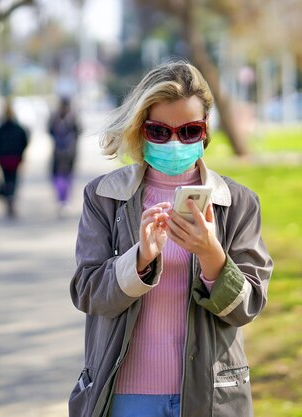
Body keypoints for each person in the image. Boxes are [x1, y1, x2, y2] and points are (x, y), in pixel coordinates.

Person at [68, 61, 273, 417]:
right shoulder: (105, 196)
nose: (176, 142)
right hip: (127, 396)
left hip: (209, 396)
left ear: (206, 130)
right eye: (160, 132)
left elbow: (247, 307)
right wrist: (139, 260)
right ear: (140, 130)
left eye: (190, 131)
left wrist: (212, 255)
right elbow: (87, 292)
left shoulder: (236, 202)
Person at [0, 99, 29, 218]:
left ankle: (9, 198)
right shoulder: (17, 127)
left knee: (7, 179)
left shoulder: (1, 127)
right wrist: (21, 152)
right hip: (14, 158)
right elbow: (25, 139)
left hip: (4, 158)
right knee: (13, 180)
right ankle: (11, 197)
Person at [48, 97, 81, 213]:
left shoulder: (55, 117)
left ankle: (62, 199)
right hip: (68, 152)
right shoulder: (72, 117)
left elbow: (49, 131)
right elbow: (79, 132)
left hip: (61, 151)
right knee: (65, 175)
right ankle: (63, 199)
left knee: (60, 175)